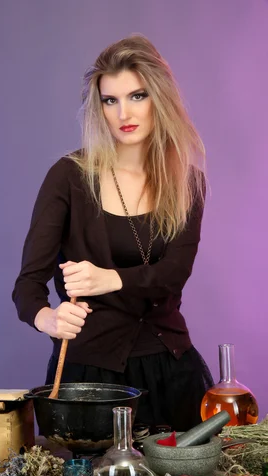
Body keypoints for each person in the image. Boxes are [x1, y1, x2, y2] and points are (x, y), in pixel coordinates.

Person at [12, 34, 213, 432]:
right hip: (90, 377)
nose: (124, 112)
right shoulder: (68, 177)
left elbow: (174, 274)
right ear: (99, 108)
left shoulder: (188, 183)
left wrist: (109, 279)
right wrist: (47, 319)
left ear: (159, 99)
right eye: (111, 100)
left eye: (137, 96)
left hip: (170, 370)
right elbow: (27, 285)